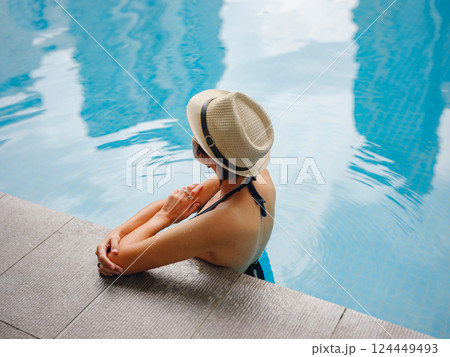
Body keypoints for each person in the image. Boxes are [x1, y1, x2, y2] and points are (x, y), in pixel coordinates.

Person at [95, 89, 275, 280]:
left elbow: (119, 260)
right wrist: (118, 232)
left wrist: (163, 218)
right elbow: (180, 202)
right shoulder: (254, 176)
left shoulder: (221, 221)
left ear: (205, 155)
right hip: (254, 269)